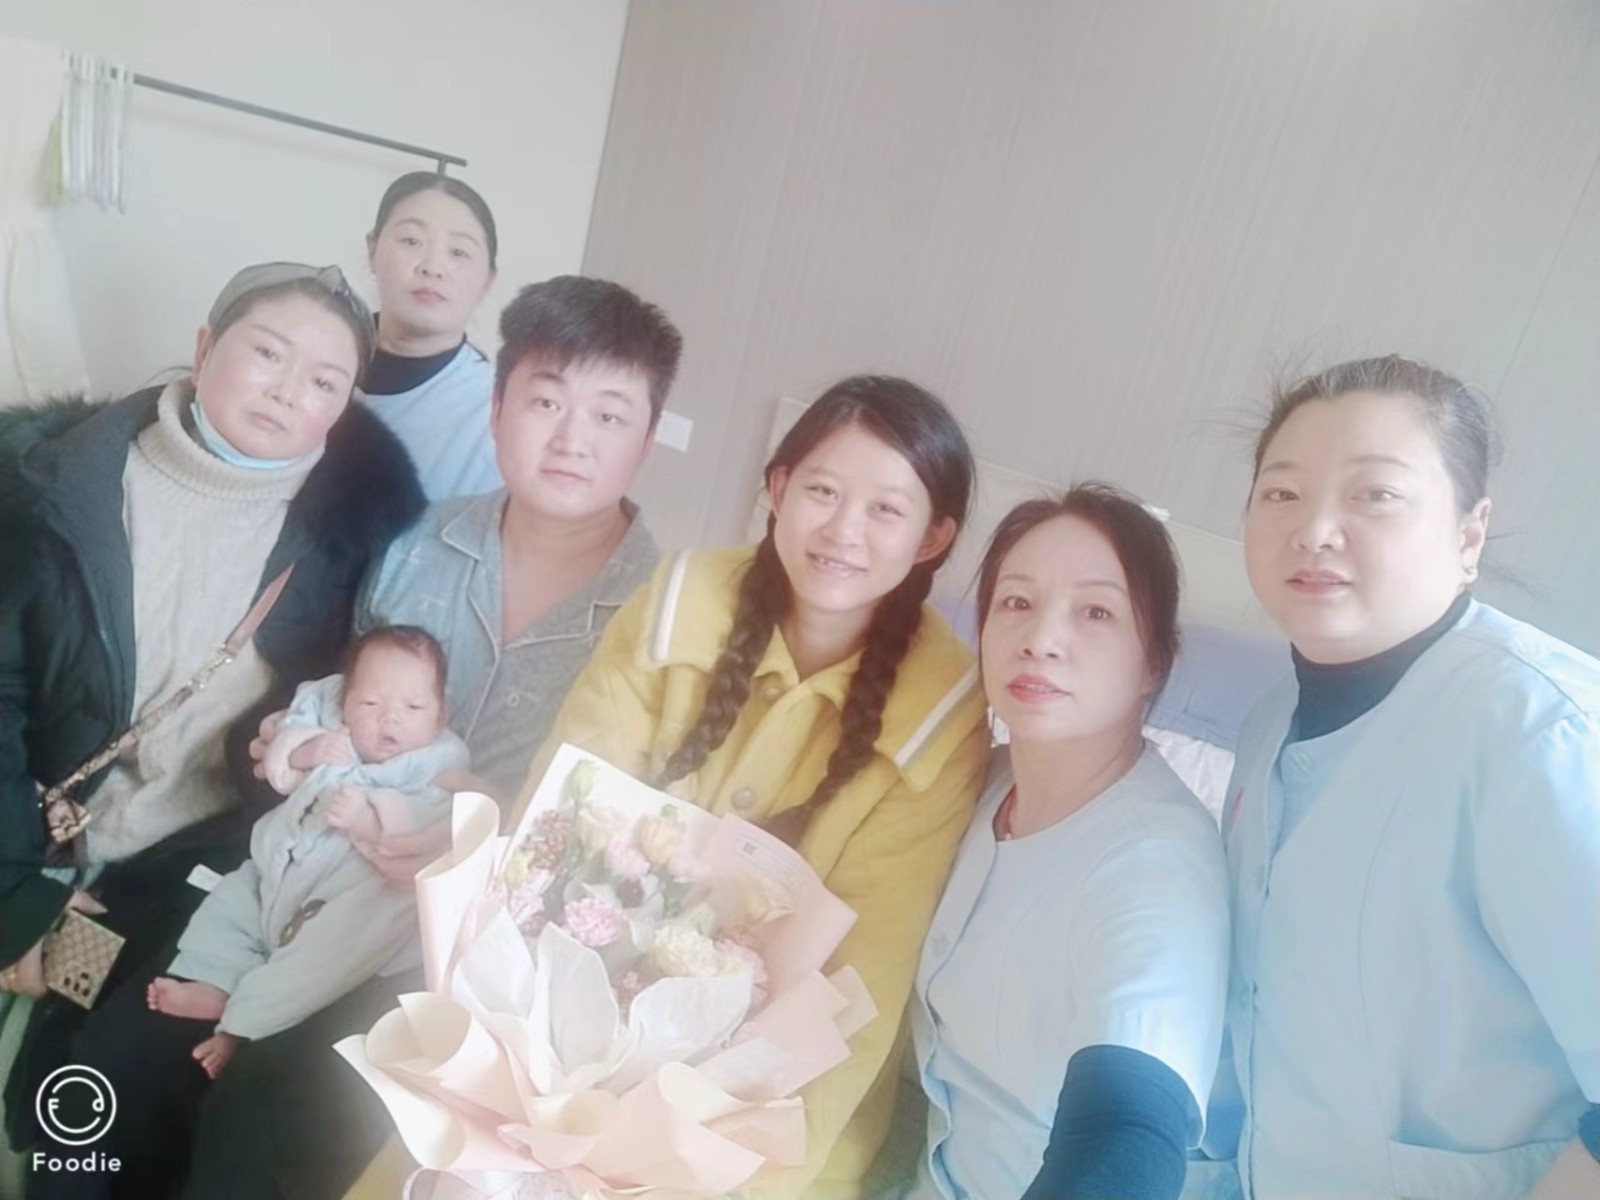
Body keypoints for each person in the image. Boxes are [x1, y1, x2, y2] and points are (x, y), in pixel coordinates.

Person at [411, 375, 990, 1200]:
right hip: (554, 1040)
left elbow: (863, 982)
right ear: (777, 489)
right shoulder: (678, 604)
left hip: (767, 1108)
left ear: (933, 536)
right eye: (822, 491)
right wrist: (505, 1060)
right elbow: (555, 830)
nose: (843, 531)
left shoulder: (942, 718)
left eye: (886, 510)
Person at [181, 275, 683, 1200]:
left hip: (480, 964)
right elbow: (334, 701)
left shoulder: (670, 620)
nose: (572, 439)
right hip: (312, 875)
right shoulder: (413, 543)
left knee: (270, 1130)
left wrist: (488, 837)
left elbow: (633, 845)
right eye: (545, 401)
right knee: (136, 1075)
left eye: (611, 415)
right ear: (496, 410)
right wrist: (289, 743)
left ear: (647, 440)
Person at [0, 262, 423, 1185]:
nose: (289, 391)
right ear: (203, 350)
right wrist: (18, 899)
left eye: (325, 382)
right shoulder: (46, 484)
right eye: (267, 353)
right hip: (18, 831)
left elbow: (301, 740)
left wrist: (285, 754)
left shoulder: (346, 544)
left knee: (104, 1096)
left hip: (179, 865)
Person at [1221, 355, 1600, 1197]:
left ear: (1469, 535)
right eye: (1281, 493)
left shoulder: (1544, 737)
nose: (1314, 530)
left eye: (1375, 494)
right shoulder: (1269, 723)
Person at [905, 486, 1230, 1200]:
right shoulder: (976, 783)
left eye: (1096, 612)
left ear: (1155, 662)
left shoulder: (1157, 866)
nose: (1041, 639)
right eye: (1016, 602)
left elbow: (1130, 1130)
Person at [148, 625, 467, 1080]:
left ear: (440, 717)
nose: (391, 719)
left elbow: (430, 827)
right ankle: (216, 981)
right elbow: (281, 767)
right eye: (370, 704)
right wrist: (307, 751)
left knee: (315, 963)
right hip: (282, 868)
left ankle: (243, 1024)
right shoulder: (331, 733)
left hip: (352, 895)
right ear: (345, 705)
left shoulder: (436, 765)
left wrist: (368, 819)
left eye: (413, 707)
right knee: (233, 901)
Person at [359, 172, 500, 501]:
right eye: (411, 241)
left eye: (459, 252)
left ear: (487, 281)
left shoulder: (497, 414)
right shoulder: (311, 360)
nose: (432, 267)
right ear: (372, 250)